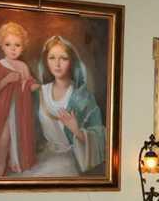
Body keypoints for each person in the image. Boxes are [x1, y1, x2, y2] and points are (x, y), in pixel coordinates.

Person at [30, 35, 106, 175]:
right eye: (52, 58)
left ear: (72, 62)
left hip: (71, 160)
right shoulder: (40, 92)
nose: (57, 64)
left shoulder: (83, 97)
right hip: (44, 156)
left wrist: (76, 130)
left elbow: (101, 139)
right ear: (46, 61)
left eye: (63, 58)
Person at [0, 22, 39, 176]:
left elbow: (29, 83)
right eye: (8, 44)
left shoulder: (23, 66)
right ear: (2, 46)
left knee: (18, 134)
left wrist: (35, 86)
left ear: (23, 47)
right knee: (4, 136)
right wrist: (6, 80)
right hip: (3, 107)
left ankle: (15, 161)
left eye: (17, 45)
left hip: (20, 108)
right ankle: (1, 164)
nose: (13, 48)